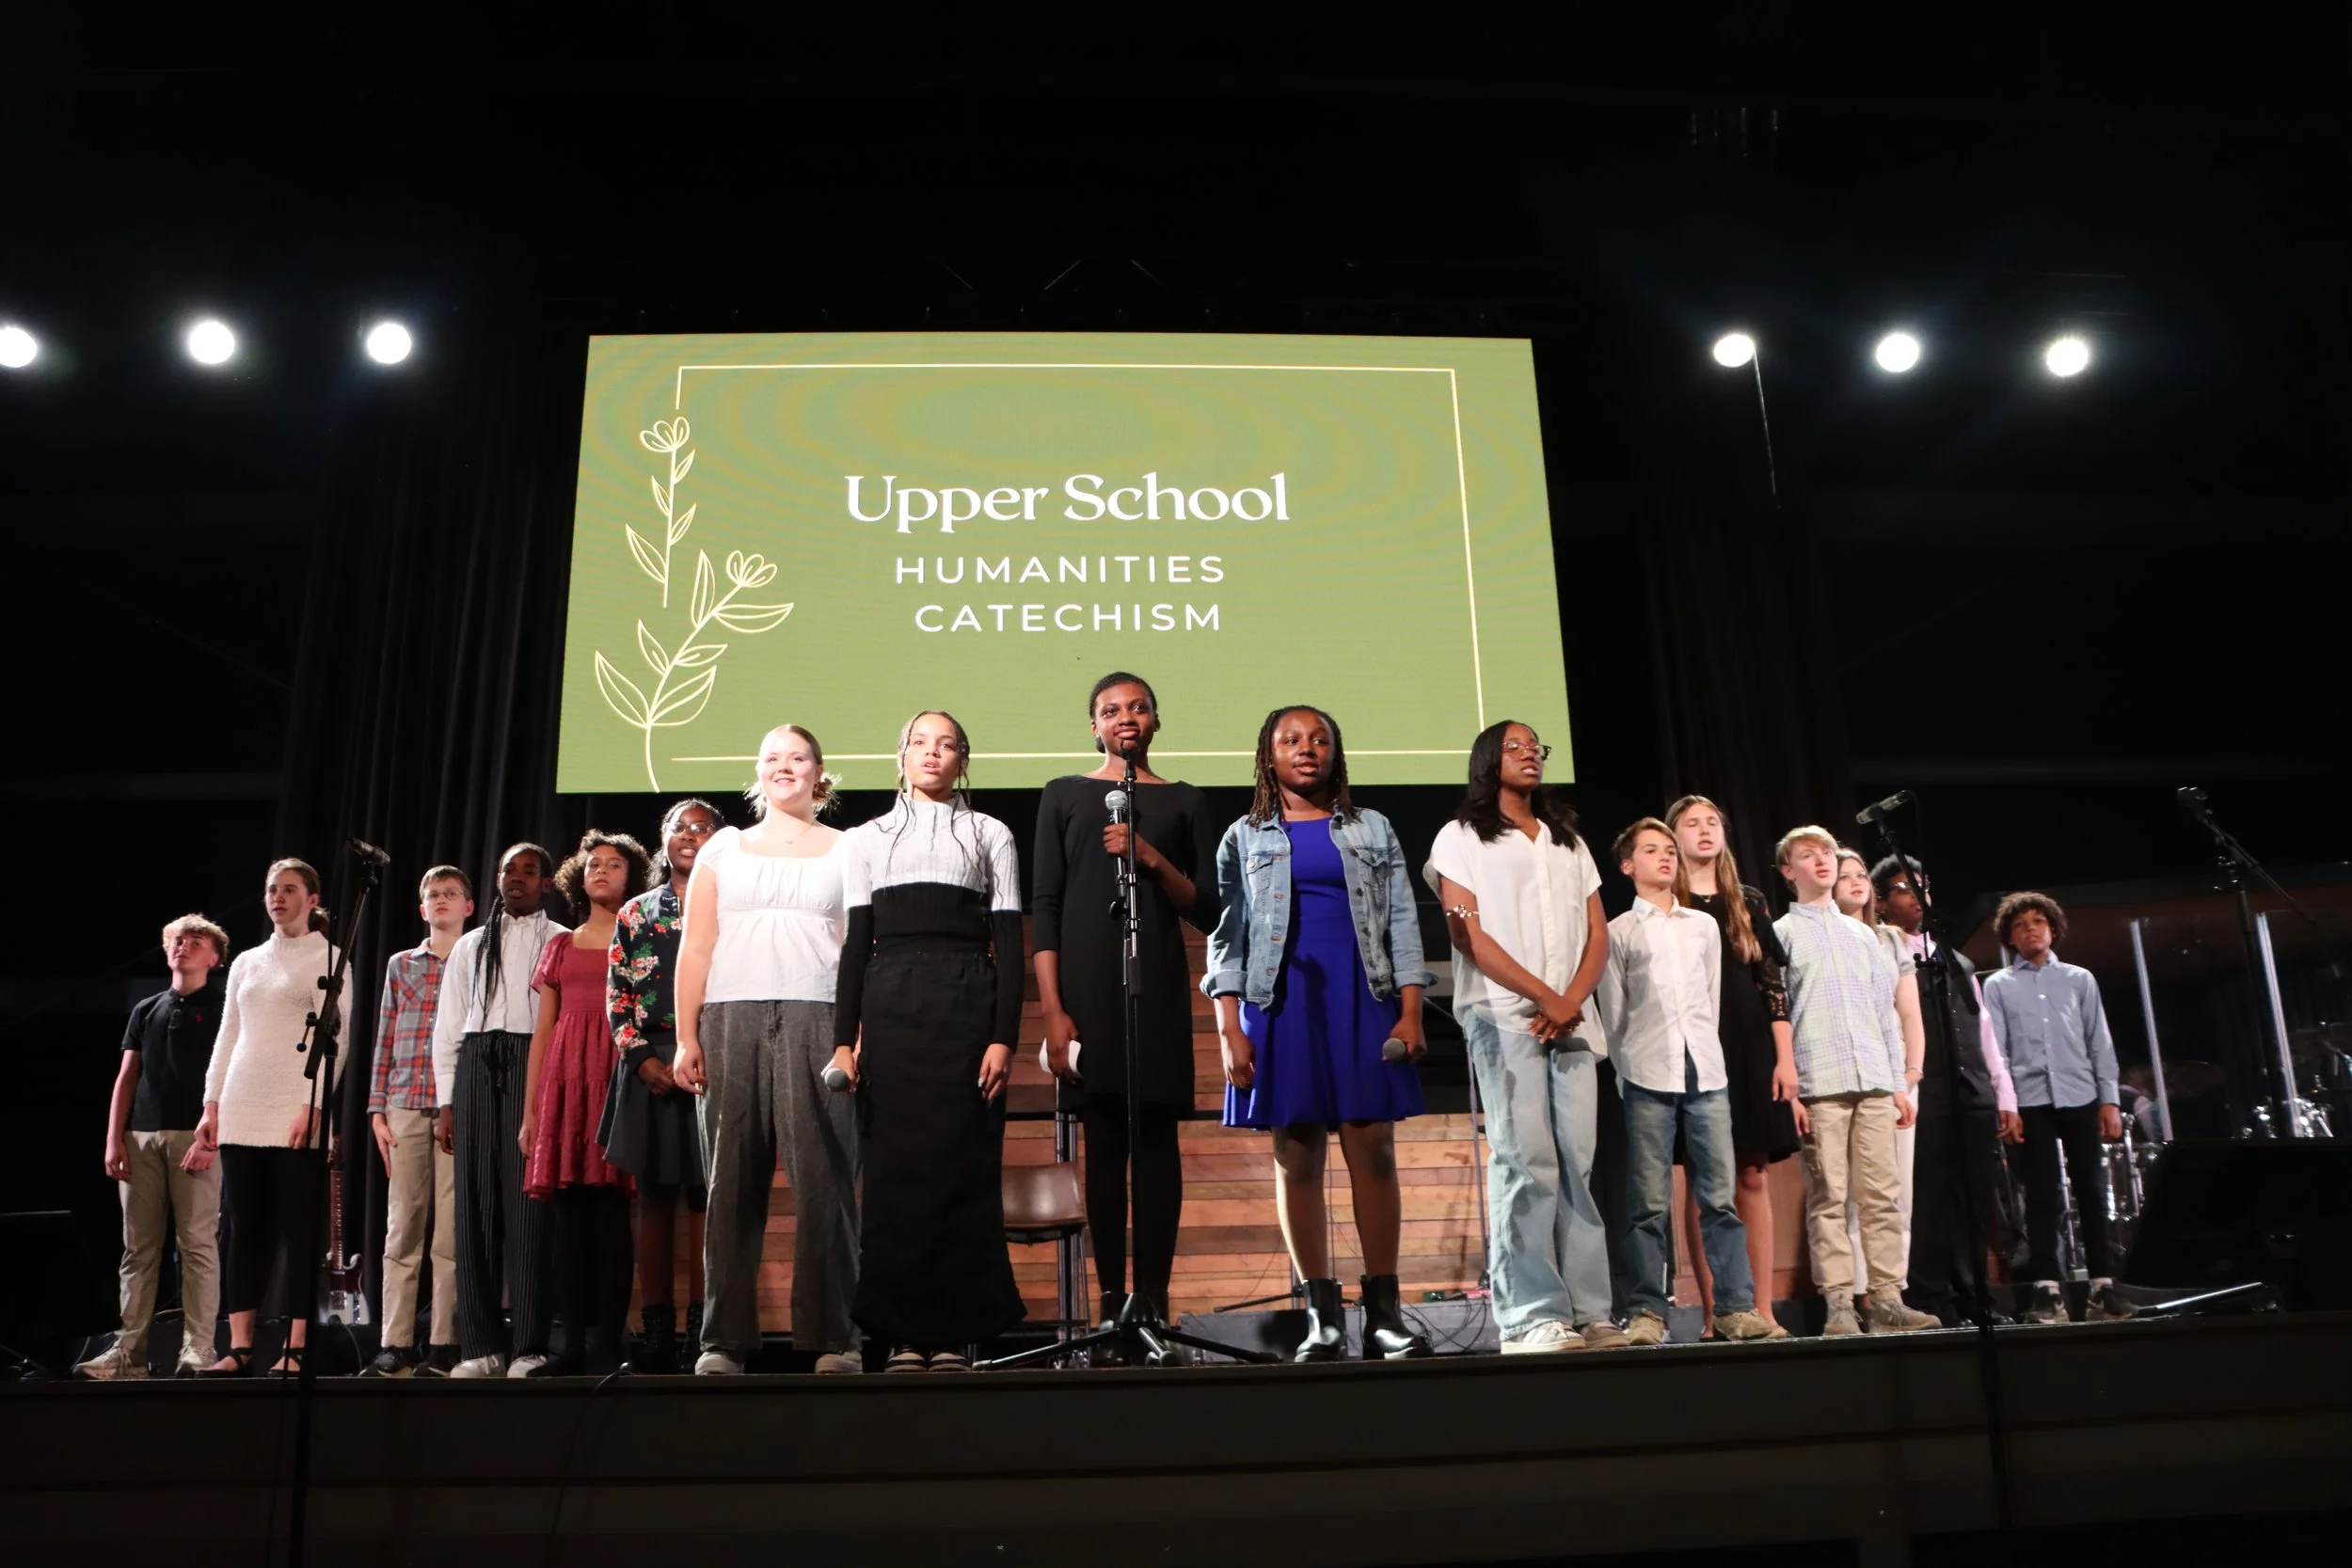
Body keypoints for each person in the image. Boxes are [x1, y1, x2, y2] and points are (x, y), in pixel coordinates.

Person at [1210, 705, 1434, 1362]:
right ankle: (1322, 1319)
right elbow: (1229, 936)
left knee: (1375, 1153)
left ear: (1335, 752)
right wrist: (1229, 1026)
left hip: (1365, 997)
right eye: (1291, 740)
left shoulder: (1373, 828)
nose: (1307, 749)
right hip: (1280, 1005)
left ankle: (1385, 1316)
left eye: (1319, 739)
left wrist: (1412, 1008)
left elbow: (1400, 919)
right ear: (1268, 754)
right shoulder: (1244, 836)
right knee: (1297, 1157)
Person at [1033, 673, 1218, 1358]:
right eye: (1111, 710)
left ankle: (1156, 1306)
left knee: (1157, 1149)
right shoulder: (1064, 795)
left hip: (1158, 991)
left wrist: (1150, 857)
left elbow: (1208, 906)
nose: (1126, 717)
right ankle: (1112, 1310)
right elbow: (1046, 904)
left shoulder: (1185, 801)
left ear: (1156, 720)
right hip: (1086, 994)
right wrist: (1054, 1009)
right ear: (1094, 725)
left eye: (1138, 706)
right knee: (1104, 1148)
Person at [834, 711, 1026, 1372]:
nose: (933, 753)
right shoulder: (865, 838)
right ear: (901, 755)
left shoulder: (990, 832)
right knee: (892, 1176)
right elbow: (857, 944)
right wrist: (842, 1041)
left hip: (968, 1001)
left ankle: (952, 1335)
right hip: (891, 1006)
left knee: (961, 1171)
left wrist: (1004, 1038)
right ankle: (900, 1337)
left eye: (947, 744)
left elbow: (1012, 943)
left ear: (963, 759)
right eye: (921, 742)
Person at [672, 730, 865, 1376]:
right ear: (759, 771)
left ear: (820, 773)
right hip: (731, 1017)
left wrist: (853, 1036)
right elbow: (697, 945)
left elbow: (856, 949)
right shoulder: (723, 847)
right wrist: (686, 1034)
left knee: (825, 1183)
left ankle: (834, 1337)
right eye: (774, 757)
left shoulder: (849, 848)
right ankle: (723, 1339)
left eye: (799, 757)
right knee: (731, 1183)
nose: (786, 766)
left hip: (817, 1016)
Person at [1424, 720, 1619, 1354]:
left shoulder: (1568, 839)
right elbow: (1466, 933)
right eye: (1516, 746)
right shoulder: (1461, 836)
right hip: (1505, 1015)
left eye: (1537, 746)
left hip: (1569, 1019)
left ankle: (1589, 1309)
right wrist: (1545, 995)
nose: (1530, 753)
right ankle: (1529, 1315)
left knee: (1577, 1164)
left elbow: (1598, 932)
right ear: (1487, 760)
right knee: (1526, 1160)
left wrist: (1571, 999)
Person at [1598, 820, 1788, 1346]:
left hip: (1706, 1072)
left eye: (1669, 851)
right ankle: (1647, 1313)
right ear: (1628, 865)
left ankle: (1734, 1309)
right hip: (1646, 1073)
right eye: (1652, 851)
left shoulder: (1702, 928)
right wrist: (1628, 1070)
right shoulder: (1619, 932)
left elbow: (1709, 1000)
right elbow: (1615, 1016)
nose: (1666, 859)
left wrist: (1708, 1058)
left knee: (1720, 1198)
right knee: (1648, 1202)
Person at [1771, 827, 1938, 1336]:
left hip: (1871, 1079)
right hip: (1820, 1082)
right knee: (1829, 1197)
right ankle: (1839, 1303)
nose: (1822, 861)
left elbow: (1886, 1015)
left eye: (1827, 852)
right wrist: (1793, 1090)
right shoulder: (1782, 934)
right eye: (1808, 855)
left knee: (1882, 1194)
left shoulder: (1865, 934)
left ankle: (1887, 1296)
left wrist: (1897, 1084)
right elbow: (1778, 1013)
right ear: (1788, 871)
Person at [191, 860, 350, 1375]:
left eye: (288, 889)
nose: (277, 897)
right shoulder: (246, 962)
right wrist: (211, 1103)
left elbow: (337, 1042)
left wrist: (312, 1103)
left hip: (294, 1106)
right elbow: (227, 1036)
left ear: (312, 897)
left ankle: (296, 1346)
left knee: (297, 1229)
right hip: (242, 1103)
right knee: (244, 1227)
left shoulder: (330, 958)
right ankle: (239, 1348)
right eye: (271, 890)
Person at [1664, 796, 1802, 1329]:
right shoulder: (1667, 903)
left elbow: (1773, 986)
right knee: (1704, 1182)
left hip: (1749, 1047)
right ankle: (1715, 1311)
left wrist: (1784, 1059)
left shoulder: (1748, 901)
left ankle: (1762, 1310)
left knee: (1753, 1174)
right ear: (1673, 836)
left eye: (1713, 823)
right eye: (1692, 823)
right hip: (1696, 1046)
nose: (1704, 831)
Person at [434, 843, 565, 1379]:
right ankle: (480, 1346)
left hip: (530, 1063)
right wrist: (446, 1101)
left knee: (528, 1207)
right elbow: (449, 1025)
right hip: (477, 1062)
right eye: (509, 869)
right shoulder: (470, 945)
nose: (516, 878)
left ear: (548, 883)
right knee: (475, 1209)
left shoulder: (559, 941)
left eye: (529, 871)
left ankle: (530, 1343)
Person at [78, 915, 230, 1379]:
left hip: (196, 1138)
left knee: (197, 1244)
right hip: (141, 1138)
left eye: (195, 941)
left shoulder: (225, 1006)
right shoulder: (146, 1008)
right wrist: (114, 1137)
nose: (183, 947)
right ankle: (129, 1352)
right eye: (177, 941)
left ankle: (199, 1346)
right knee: (138, 1249)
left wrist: (213, 1135)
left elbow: (229, 1076)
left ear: (214, 956)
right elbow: (127, 1077)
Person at [522, 832, 652, 1374]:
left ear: (633, 877)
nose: (601, 871)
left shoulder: (642, 938)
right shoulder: (560, 946)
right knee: (568, 1227)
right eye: (594, 864)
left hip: (619, 1080)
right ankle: (569, 1345)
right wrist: (532, 1112)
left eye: (614, 864)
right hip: (567, 1086)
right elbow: (544, 1029)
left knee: (611, 1222)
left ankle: (608, 1344)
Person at [599, 799, 722, 1374]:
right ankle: (655, 1333)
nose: (691, 836)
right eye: (681, 827)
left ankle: (705, 1330)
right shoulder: (636, 914)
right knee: (653, 1197)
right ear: (664, 839)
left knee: (707, 1197)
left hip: (712, 1064)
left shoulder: (734, 908)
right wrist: (642, 1058)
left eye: (704, 828)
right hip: (649, 1065)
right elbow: (617, 995)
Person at [1874, 855, 2022, 1326]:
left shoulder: (1956, 960)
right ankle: (1929, 1300)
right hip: (1924, 1091)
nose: (1917, 895)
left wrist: (2004, 1094)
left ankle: (1976, 1298)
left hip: (1972, 1091)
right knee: (1928, 1199)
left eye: (1923, 885)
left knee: (1975, 1202)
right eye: (1903, 888)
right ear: (1881, 903)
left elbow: (1985, 1033)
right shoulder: (1883, 956)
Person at [1981, 891, 2132, 1324]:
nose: (2032, 929)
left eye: (2038, 921)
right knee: (2043, 1196)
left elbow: (2098, 1041)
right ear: (2010, 936)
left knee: (2091, 1189)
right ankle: (2047, 1290)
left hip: (2080, 1094)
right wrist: (2005, 1105)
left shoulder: (2079, 979)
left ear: (2053, 927)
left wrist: (2109, 1099)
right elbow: (1999, 1051)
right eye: (2022, 924)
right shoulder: (1998, 986)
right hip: (2030, 1102)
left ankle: (2104, 1286)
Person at [358, 867, 473, 1378]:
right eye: (433, 895)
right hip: (405, 1103)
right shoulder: (401, 964)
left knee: (449, 1230)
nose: (442, 901)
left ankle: (444, 1341)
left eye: (451, 894)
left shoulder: (476, 961)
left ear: (469, 906)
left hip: (457, 1107)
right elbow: (384, 1035)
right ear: (422, 909)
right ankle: (396, 1342)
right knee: (402, 1226)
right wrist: (376, 1106)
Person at [1835, 847, 1922, 1302]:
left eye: (1861, 875)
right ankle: (1854, 1293)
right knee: (1848, 1193)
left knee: (1894, 1192)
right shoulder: (1823, 937)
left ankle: (1890, 1293)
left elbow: (1909, 1015)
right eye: (1845, 875)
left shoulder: (1891, 940)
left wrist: (1909, 1077)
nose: (1856, 881)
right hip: (1845, 1076)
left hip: (1896, 1081)